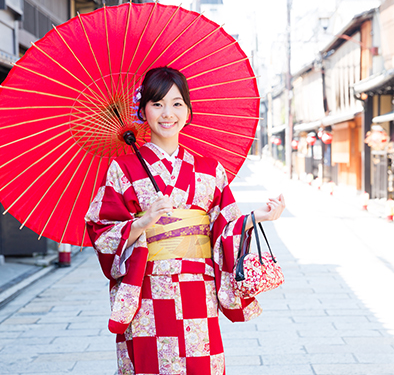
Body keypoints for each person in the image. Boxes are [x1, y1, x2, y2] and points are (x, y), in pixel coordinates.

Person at [85, 66, 285, 375]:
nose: (168, 113)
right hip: (147, 289)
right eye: (157, 103)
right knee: (150, 364)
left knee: (201, 364)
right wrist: (141, 223)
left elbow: (223, 227)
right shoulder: (121, 169)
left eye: (177, 103)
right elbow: (101, 230)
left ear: (188, 112)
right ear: (142, 111)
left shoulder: (209, 169)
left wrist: (256, 217)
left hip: (197, 289)